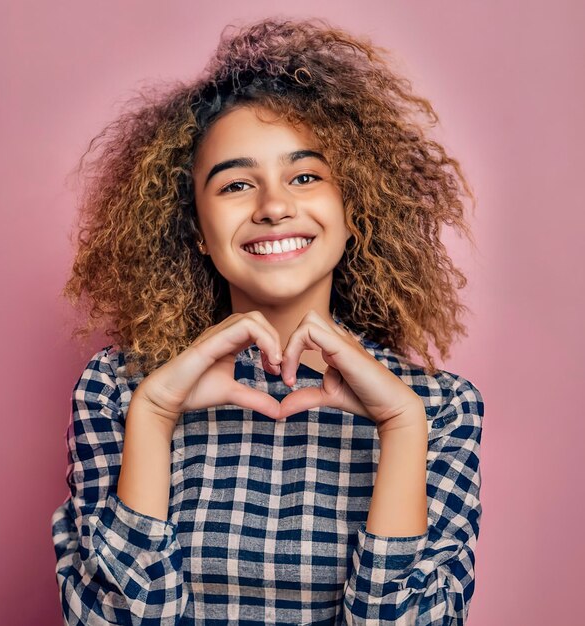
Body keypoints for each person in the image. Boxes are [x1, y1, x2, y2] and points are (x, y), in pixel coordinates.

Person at [51, 17, 484, 626]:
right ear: (198, 231)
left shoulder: (440, 410)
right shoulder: (116, 392)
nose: (275, 207)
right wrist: (151, 416)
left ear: (352, 208)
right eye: (235, 185)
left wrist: (402, 427)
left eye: (305, 177)